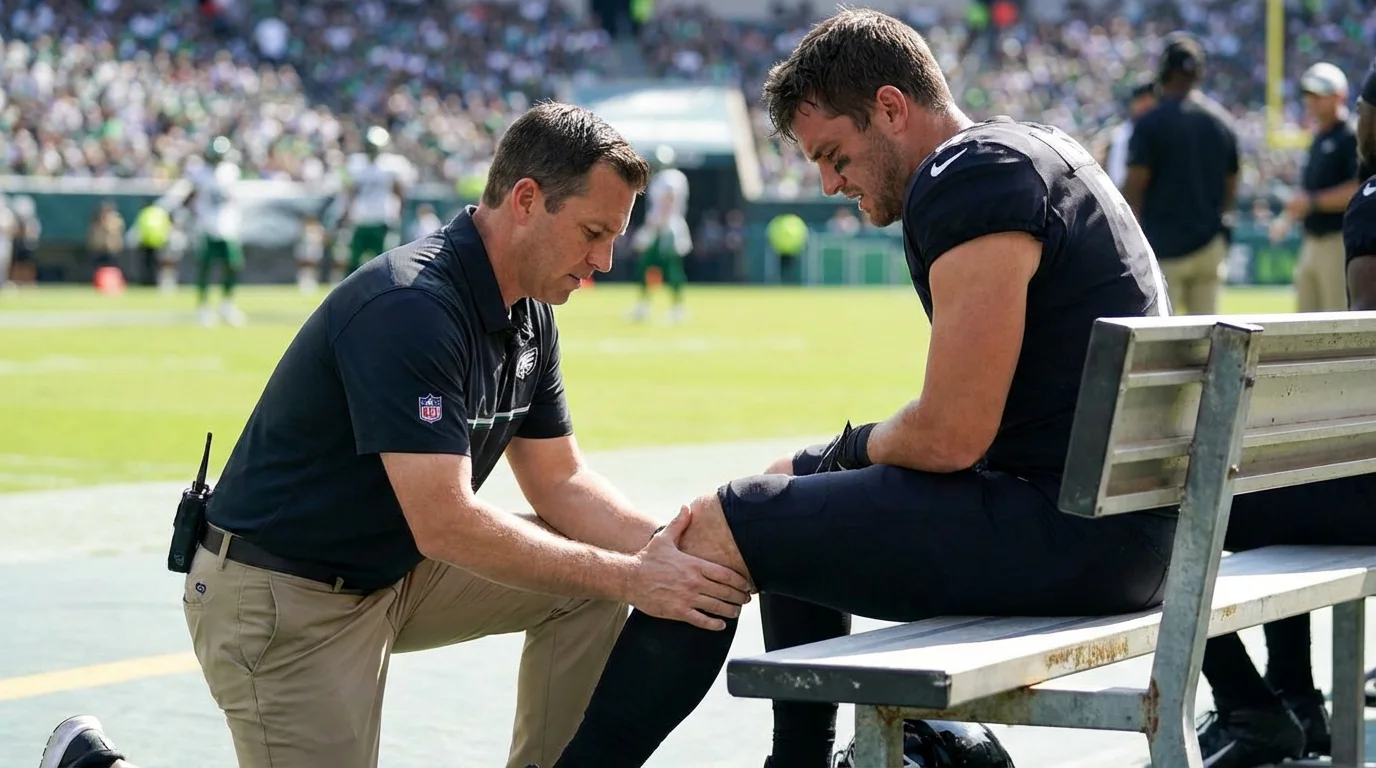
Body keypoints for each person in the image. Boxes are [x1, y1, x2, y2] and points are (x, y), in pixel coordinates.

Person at [550, 9, 1176, 767]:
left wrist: (844, 450)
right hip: (1125, 529)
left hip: (1078, 538)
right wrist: (822, 467)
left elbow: (952, 435)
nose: (828, 181)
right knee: (781, 494)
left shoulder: (967, 174)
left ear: (890, 107)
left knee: (728, 523)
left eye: (834, 154)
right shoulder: (1039, 150)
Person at [174, 103, 751, 768]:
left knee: (586, 581)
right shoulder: (411, 304)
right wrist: (634, 578)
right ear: (527, 200)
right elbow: (444, 523)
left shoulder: (530, 311)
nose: (606, 259)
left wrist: (669, 551)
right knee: (607, 575)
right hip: (285, 593)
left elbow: (560, 481)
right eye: (594, 232)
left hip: (390, 571)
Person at [1191, 61, 1376, 768]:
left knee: (1188, 506)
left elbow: (1366, 368)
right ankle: (1293, 693)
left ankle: (1261, 703)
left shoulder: (1371, 202)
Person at [1122, 32, 1240, 315]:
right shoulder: (1221, 121)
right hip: (1208, 245)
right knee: (1208, 340)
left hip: (1163, 248)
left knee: (1161, 341)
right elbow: (1232, 186)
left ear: (1164, 72)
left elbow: (1134, 188)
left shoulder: (1150, 123)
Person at [1269, 62, 1360, 312]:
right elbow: (1308, 192)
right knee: (1305, 320)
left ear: (1338, 96)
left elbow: (1358, 189)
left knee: (1336, 321)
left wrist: (1311, 202)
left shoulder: (1350, 136)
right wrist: (1288, 218)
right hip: (1311, 240)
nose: (1311, 101)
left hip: (1338, 241)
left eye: (1318, 95)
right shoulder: (1318, 137)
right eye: (1308, 94)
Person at [185, 137, 247, 327]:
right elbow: (191, 196)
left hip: (227, 226)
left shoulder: (231, 172)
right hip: (207, 226)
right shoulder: (200, 174)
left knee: (234, 265)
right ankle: (203, 307)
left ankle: (226, 304)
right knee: (206, 266)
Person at [627, 145, 692, 323]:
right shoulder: (675, 177)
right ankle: (645, 306)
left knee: (670, 269)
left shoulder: (669, 178)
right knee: (648, 267)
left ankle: (676, 308)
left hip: (665, 228)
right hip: (665, 226)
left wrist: (654, 226)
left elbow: (668, 200)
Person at [341, 126, 413, 276]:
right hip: (361, 218)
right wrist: (347, 213)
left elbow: (399, 191)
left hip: (383, 219)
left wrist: (399, 213)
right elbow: (351, 192)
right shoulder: (356, 163)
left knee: (385, 262)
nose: (371, 149)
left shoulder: (391, 165)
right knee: (354, 262)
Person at [1106, 79, 1157, 189]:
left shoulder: (1167, 130)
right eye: (1141, 100)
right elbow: (1118, 178)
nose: (1146, 104)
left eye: (1150, 99)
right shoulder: (1123, 135)